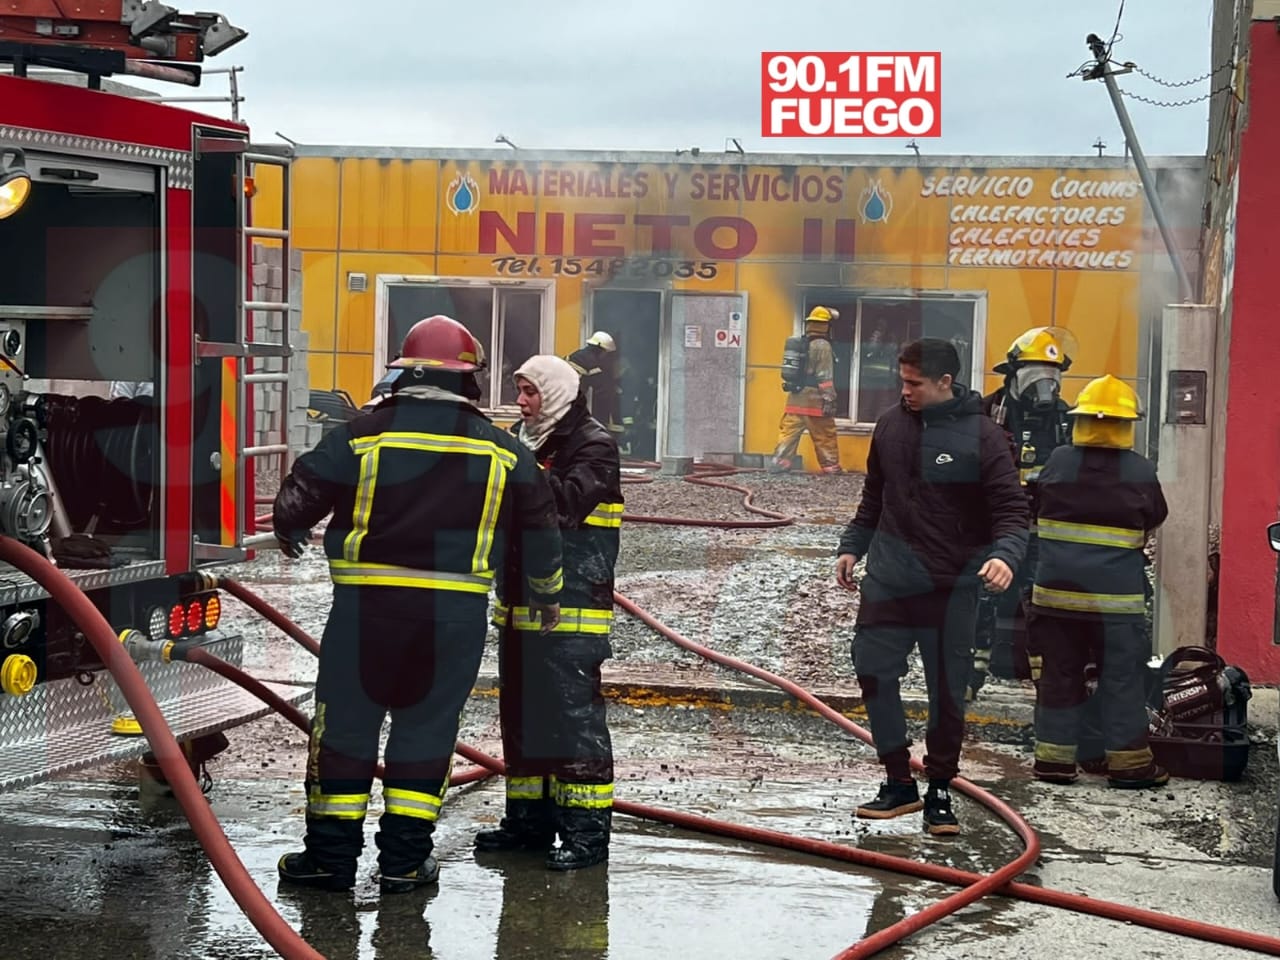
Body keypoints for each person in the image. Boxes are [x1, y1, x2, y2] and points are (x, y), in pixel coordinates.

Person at [271, 314, 564, 894]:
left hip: (365, 614)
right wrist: (545, 597)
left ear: (404, 372)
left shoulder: (361, 434)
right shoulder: (505, 451)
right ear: (468, 381)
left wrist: (290, 531)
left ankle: (330, 860)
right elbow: (542, 534)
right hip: (452, 622)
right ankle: (404, 864)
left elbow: (295, 501)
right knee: (427, 733)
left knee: (346, 731)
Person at [835, 338, 1029, 836]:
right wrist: (852, 544)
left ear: (946, 382)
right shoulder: (890, 426)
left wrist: (1005, 557)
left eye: (914, 383)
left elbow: (1011, 511)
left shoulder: (984, 436)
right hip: (889, 581)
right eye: (902, 381)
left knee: (947, 690)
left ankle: (939, 788)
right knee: (874, 672)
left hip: (951, 586)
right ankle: (898, 781)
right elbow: (874, 495)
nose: (905, 392)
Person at [476, 354, 623, 871]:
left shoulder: (593, 445)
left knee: (571, 719)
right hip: (519, 604)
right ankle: (528, 824)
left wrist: (510, 463)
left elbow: (561, 506)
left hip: (574, 607)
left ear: (557, 392)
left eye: (530, 392)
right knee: (521, 716)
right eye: (518, 390)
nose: (520, 401)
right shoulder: (524, 442)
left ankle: (586, 835)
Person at [1028, 374, 1170, 788]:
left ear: (1081, 420)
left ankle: (1054, 762)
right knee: (1121, 678)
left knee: (1058, 674)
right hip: (1116, 603)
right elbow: (1155, 517)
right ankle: (1129, 767)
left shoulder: (1056, 461)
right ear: (1128, 424)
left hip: (1055, 598)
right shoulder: (1141, 470)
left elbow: (1033, 506)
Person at [969, 326, 1075, 697]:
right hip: (990, 527)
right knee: (981, 599)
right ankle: (969, 680)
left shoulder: (1067, 419)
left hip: (1043, 530)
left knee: (1040, 606)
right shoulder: (987, 412)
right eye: (1035, 375)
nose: (1044, 385)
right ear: (1013, 373)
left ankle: (1043, 688)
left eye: (1052, 375)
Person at [771, 305, 842, 474]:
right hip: (814, 401)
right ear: (826, 326)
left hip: (795, 399)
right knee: (825, 434)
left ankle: (780, 462)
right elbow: (824, 376)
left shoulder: (801, 343)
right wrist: (830, 398)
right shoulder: (822, 346)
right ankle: (830, 466)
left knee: (788, 434)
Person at [567, 331, 627, 447]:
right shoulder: (591, 362)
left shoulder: (576, 355)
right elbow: (601, 388)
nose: (606, 356)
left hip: (563, 395)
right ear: (600, 349)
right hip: (572, 398)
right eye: (606, 353)